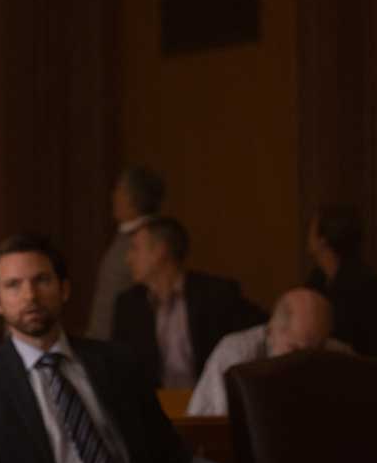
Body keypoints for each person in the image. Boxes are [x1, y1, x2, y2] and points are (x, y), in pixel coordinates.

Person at [0, 234, 233, 463]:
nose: (29, 295)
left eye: (42, 280)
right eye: (13, 285)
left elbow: (165, 447)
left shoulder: (116, 361)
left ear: (64, 289)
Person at [113, 216, 264, 388]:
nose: (128, 259)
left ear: (160, 251)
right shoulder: (128, 305)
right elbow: (121, 369)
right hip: (153, 408)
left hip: (211, 405)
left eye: (135, 249)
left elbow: (261, 334)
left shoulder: (217, 295)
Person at [187, 288, 351, 416]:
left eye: (318, 349)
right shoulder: (234, 356)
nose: (308, 363)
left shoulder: (340, 356)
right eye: (295, 349)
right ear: (272, 331)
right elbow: (210, 430)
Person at [304, 205, 377, 359]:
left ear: (323, 240)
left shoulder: (365, 287)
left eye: (311, 228)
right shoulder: (317, 279)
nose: (307, 233)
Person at [88, 167, 165, 340]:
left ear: (132, 197)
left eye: (119, 190)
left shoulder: (148, 240)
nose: (113, 196)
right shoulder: (125, 237)